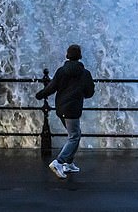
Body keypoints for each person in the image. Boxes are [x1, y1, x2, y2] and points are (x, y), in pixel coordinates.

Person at [35, 44, 95, 179]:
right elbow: (90, 92)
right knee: (74, 136)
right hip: (73, 109)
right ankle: (59, 162)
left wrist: (40, 94)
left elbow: (51, 87)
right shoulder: (85, 73)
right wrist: (82, 93)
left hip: (61, 107)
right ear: (80, 56)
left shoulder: (61, 71)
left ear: (67, 56)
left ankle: (68, 163)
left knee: (75, 134)